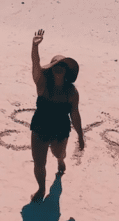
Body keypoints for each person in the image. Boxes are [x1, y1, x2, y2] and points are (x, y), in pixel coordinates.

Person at [30, 29, 84, 202]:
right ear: (51, 70)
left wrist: (81, 136)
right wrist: (34, 47)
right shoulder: (42, 85)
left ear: (67, 71)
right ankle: (41, 189)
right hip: (40, 126)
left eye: (63, 66)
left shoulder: (72, 92)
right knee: (39, 163)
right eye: (56, 66)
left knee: (58, 153)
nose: (59, 68)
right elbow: (35, 65)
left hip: (61, 129)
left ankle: (61, 160)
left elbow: (75, 114)